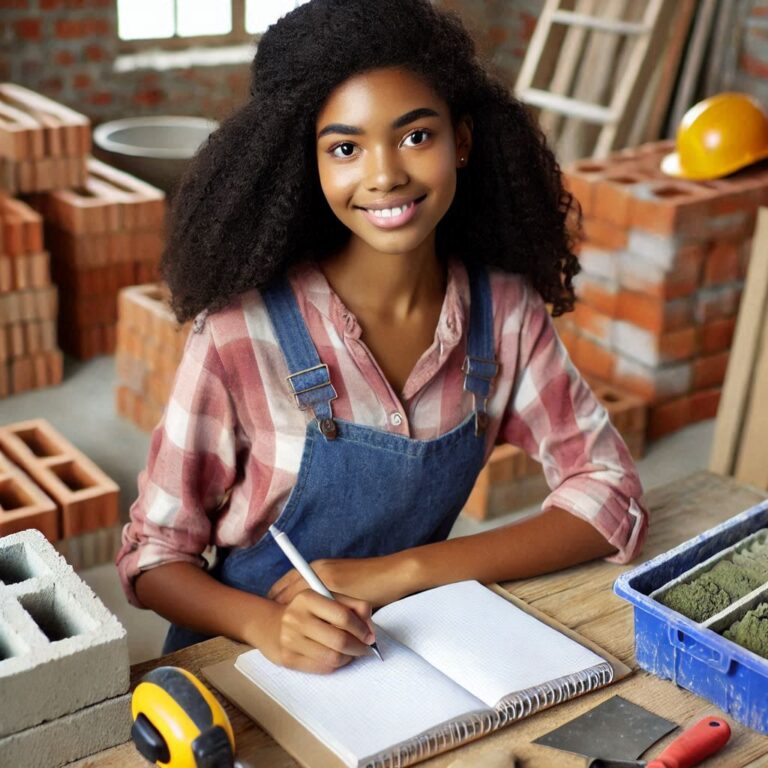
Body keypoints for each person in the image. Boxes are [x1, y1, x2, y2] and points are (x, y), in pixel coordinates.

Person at [116, 0, 647, 674]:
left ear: (463, 139)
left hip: (399, 653)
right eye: (345, 147)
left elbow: (611, 495)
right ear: (304, 164)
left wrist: (409, 569)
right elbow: (154, 557)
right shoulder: (238, 335)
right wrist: (267, 625)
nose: (385, 173)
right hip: (242, 664)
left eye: (415, 136)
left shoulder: (505, 313)